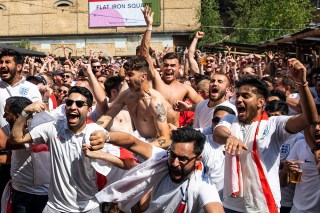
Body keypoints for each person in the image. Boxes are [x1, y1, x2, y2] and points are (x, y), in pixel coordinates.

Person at [213, 58, 317, 213]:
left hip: (264, 206)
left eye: (246, 96)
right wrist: (229, 138)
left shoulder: (274, 125)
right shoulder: (230, 120)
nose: (239, 100)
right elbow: (217, 133)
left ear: (261, 102)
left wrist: (303, 83)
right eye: (238, 96)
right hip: (232, 205)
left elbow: (310, 119)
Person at [10, 86, 113, 212]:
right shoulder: (52, 128)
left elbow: (127, 162)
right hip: (55, 208)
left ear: (89, 110)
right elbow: (17, 138)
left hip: (88, 208)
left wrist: (102, 154)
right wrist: (25, 112)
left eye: (79, 104)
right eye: (69, 103)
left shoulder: (96, 133)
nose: (73, 107)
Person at [94, 127, 224, 213]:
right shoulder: (161, 158)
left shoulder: (201, 185)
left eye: (183, 159)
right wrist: (105, 136)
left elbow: (215, 208)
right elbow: (132, 142)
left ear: (198, 159)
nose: (174, 163)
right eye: (172, 155)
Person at [139, 6, 204, 127]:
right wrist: (149, 26)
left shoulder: (185, 88)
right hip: (155, 133)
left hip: (175, 134)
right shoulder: (156, 79)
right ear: (162, 67)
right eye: (166, 65)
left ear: (179, 68)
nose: (169, 68)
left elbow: (204, 105)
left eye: (173, 65)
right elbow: (144, 55)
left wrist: (189, 108)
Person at [97, 56, 171, 149]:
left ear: (143, 76)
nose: (126, 79)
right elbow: (108, 116)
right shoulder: (127, 95)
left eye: (130, 75)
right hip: (138, 140)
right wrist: (92, 130)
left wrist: (139, 147)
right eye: (126, 75)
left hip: (154, 147)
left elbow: (165, 139)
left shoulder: (155, 101)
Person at [3, 96, 51, 213]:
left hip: (36, 194)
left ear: (18, 115)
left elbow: (12, 141)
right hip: (22, 190)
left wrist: (25, 113)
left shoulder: (35, 129)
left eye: (7, 113)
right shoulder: (15, 127)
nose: (4, 117)